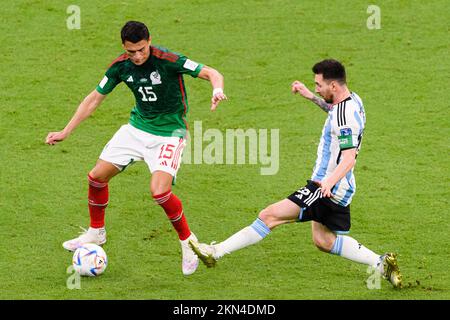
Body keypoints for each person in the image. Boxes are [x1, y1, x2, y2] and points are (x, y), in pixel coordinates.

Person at [189, 59, 402, 288]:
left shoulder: (344, 116)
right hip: (342, 185)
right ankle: (381, 264)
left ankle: (214, 251)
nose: (317, 87)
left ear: (333, 86)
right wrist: (310, 96)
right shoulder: (353, 101)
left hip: (326, 185)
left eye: (319, 85)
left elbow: (349, 157)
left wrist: (327, 183)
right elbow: (333, 111)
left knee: (269, 216)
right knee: (323, 240)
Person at [45, 21, 227, 276]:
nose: (138, 56)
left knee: (159, 192)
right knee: (96, 177)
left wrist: (217, 89)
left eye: (142, 49)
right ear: (124, 47)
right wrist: (66, 131)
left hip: (169, 134)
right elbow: (94, 98)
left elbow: (211, 72)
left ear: (149, 41)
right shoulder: (120, 66)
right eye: (132, 52)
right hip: (136, 129)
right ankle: (96, 233)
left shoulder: (168, 59)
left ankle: (188, 242)